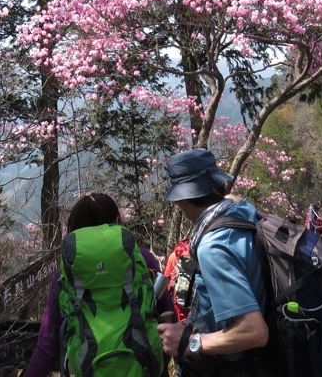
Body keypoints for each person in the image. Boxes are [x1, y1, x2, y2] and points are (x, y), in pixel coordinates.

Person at [24, 193, 174, 377]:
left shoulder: (66, 275)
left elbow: (47, 346)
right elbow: (169, 317)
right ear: (117, 220)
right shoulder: (142, 259)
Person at [157, 148, 270, 377]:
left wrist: (190, 342)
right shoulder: (244, 214)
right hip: (262, 363)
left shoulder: (213, 246)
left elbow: (254, 331)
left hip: (233, 368)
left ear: (182, 200)